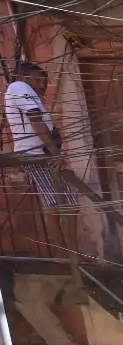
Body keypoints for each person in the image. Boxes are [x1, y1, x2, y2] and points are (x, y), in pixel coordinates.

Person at [4, 62, 79, 266]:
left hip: (42, 153)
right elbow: (35, 120)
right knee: (60, 203)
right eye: (38, 79)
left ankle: (68, 253)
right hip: (37, 155)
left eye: (44, 80)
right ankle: (66, 255)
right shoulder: (19, 87)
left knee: (63, 202)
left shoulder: (29, 93)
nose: (42, 84)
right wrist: (55, 153)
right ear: (24, 77)